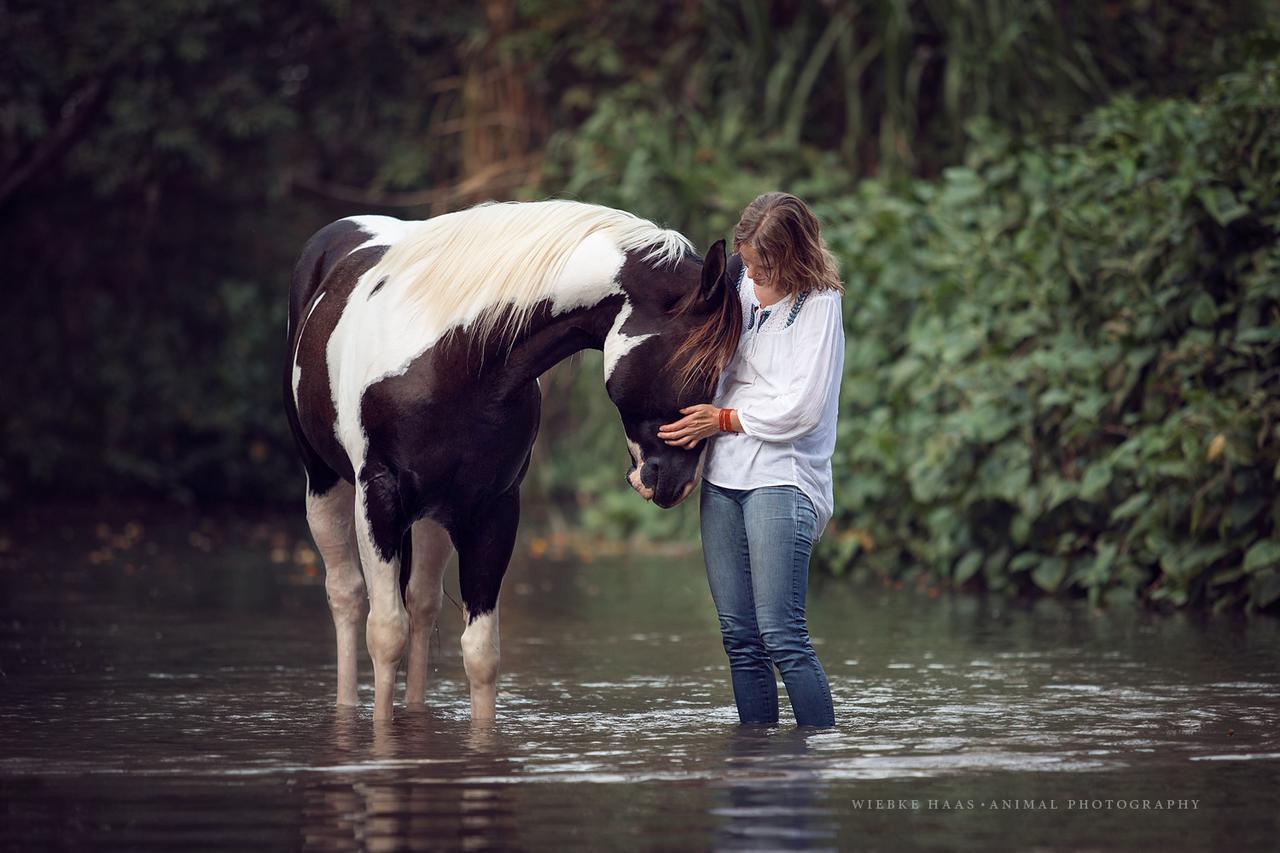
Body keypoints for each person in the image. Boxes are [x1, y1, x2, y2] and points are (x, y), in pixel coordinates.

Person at [658, 192, 844, 727]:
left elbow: (803, 409)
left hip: (782, 478)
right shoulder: (737, 285)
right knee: (739, 638)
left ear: (795, 257)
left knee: (783, 634)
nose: (757, 274)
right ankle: (756, 764)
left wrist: (723, 420)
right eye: (752, 262)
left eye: (768, 266)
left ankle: (816, 757)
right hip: (723, 476)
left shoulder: (820, 304)